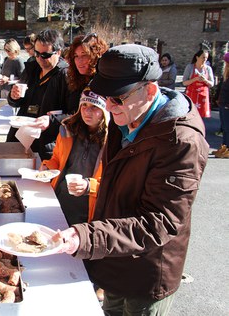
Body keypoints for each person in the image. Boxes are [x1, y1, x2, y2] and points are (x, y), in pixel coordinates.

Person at [52, 44, 209, 315]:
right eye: (105, 97)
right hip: (114, 255)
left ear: (149, 90)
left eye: (118, 98)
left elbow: (159, 222)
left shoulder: (182, 142)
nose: (110, 107)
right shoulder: (125, 116)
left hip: (147, 269)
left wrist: (86, 237)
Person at [41, 89, 109, 225]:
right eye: (84, 105)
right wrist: (48, 167)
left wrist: (89, 186)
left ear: (105, 111)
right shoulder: (69, 130)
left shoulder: (112, 141)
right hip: (60, 202)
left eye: (95, 107)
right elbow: (57, 159)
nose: (87, 112)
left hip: (90, 209)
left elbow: (115, 182)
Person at [6, 29, 67, 160]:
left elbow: (74, 113)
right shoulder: (32, 69)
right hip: (20, 137)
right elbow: (15, 101)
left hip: (46, 144)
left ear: (59, 52)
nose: (40, 58)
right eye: (37, 53)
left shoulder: (66, 75)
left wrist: (51, 121)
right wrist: (13, 96)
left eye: (45, 55)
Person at [182, 49, 214, 118]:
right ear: (197, 57)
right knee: (190, 114)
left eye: (206, 58)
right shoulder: (190, 67)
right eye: (203, 57)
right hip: (191, 94)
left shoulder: (208, 69)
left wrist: (205, 80)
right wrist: (195, 79)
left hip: (203, 96)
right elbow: (184, 83)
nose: (205, 59)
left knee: (201, 117)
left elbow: (212, 84)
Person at [212, 52, 229, 158]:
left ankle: (227, 149)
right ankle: (224, 147)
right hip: (223, 104)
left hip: (227, 104)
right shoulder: (226, 76)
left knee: (228, 128)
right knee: (224, 128)